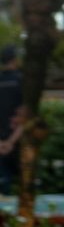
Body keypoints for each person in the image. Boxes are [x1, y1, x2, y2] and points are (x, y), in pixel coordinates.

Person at [0, 44, 22, 194]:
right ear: (15, 59)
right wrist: (11, 142)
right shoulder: (22, 80)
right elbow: (26, 114)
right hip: (18, 139)